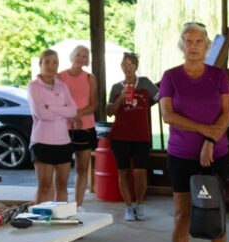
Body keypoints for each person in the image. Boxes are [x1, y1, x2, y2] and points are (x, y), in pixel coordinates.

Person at [158, 22, 229, 242]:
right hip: (181, 155)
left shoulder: (218, 76)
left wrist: (209, 140)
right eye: (188, 41)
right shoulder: (171, 76)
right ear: (182, 45)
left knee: (215, 211)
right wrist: (205, 130)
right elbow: (168, 115)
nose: (193, 46)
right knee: (182, 215)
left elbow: (227, 113)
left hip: (215, 155)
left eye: (198, 41)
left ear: (207, 46)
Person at [105, 52, 159, 222]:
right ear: (121, 67)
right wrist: (121, 97)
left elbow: (161, 97)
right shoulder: (115, 87)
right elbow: (109, 112)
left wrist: (148, 103)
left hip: (141, 135)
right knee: (123, 171)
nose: (128, 67)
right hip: (120, 136)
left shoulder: (145, 83)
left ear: (136, 66)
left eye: (131, 64)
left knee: (140, 172)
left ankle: (140, 205)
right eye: (125, 64)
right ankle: (128, 207)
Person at [28, 49, 76, 204]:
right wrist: (62, 111)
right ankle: (40, 223)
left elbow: (73, 110)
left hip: (63, 142)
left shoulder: (62, 87)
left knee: (62, 186)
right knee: (45, 186)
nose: (51, 65)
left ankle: (61, 220)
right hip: (42, 142)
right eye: (47, 62)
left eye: (55, 62)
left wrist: (52, 107)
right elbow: (41, 114)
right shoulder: (33, 86)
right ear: (40, 64)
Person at [57, 45, 99, 210]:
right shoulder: (60, 77)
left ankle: (78, 206)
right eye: (78, 54)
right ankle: (61, 206)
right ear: (72, 55)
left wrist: (77, 115)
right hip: (64, 128)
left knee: (82, 168)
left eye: (84, 56)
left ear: (86, 60)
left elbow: (94, 104)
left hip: (85, 127)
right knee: (63, 170)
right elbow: (56, 103)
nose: (80, 58)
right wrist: (71, 116)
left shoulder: (90, 78)